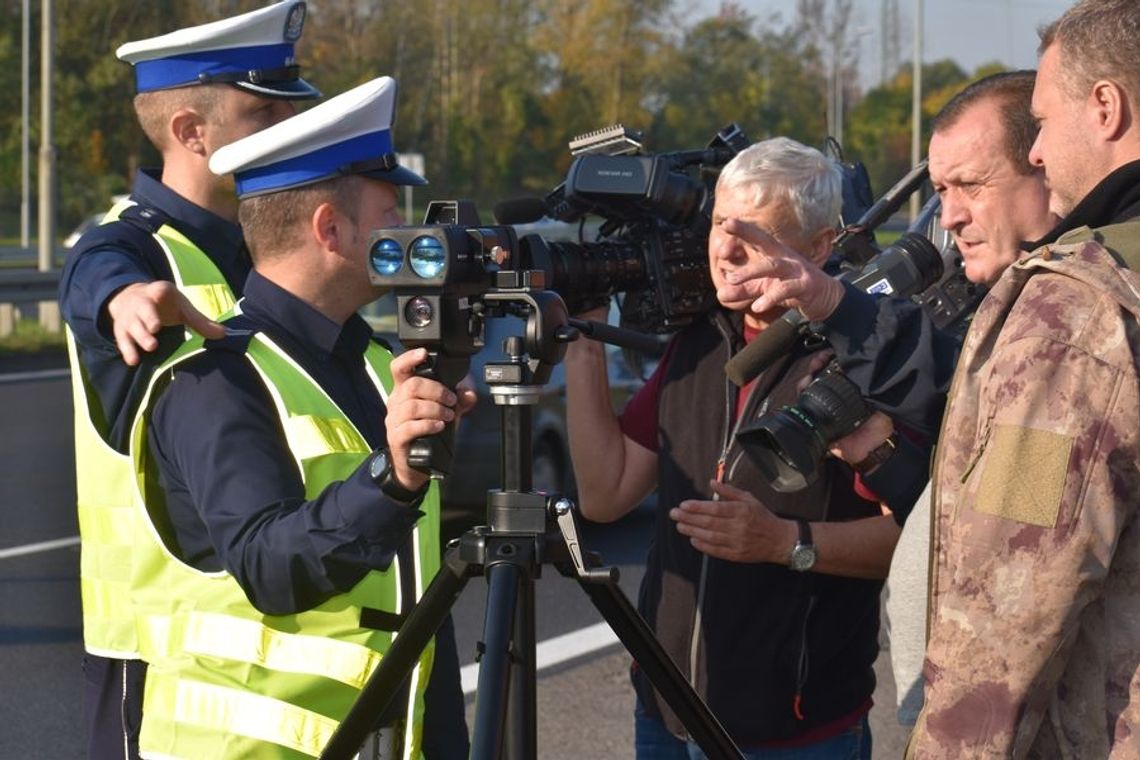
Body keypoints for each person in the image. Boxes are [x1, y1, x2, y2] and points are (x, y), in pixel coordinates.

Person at [125, 77, 474, 759]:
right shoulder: (215, 381)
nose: (406, 234)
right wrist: (392, 480)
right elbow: (269, 567)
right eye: (388, 213)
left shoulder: (380, 365)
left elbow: (415, 601)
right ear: (330, 229)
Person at [566, 136, 899, 758]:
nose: (725, 248)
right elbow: (605, 495)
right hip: (665, 715)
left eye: (756, 232)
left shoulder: (863, 359)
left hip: (795, 734)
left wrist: (784, 543)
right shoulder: (697, 343)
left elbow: (912, 539)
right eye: (720, 223)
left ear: (819, 245)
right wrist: (582, 341)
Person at [56, 4, 319, 757]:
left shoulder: (256, 249)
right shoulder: (128, 246)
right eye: (262, 110)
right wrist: (120, 299)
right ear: (190, 132)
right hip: (154, 651)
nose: (286, 125)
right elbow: (93, 272)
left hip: (251, 636)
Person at [906, 0, 1140, 755]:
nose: (1035, 153)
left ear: (1105, 107)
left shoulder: (1080, 307)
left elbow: (1015, 601)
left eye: (1041, 122)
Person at [881, 69, 1058, 727]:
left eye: (972, 185)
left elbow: (1026, 570)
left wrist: (961, 734)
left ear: (1045, 168)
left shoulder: (1061, 331)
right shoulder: (1011, 310)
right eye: (940, 191)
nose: (949, 215)